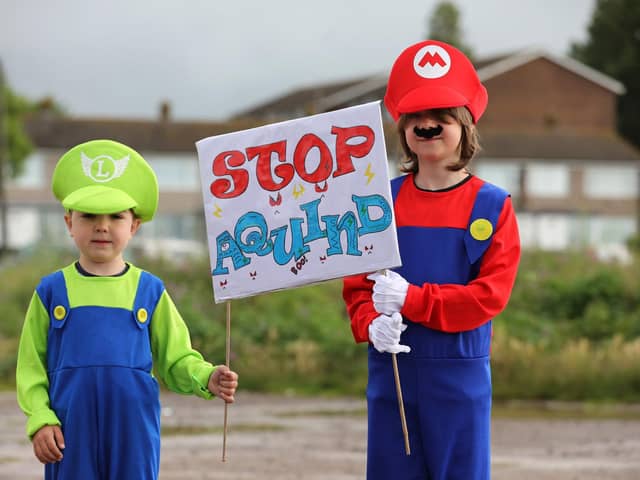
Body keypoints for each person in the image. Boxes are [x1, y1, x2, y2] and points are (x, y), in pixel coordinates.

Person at [343, 40, 521, 479]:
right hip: (392, 374)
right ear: (402, 126)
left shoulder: (492, 206)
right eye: (416, 117)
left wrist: (414, 299)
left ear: (464, 124)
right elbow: (356, 286)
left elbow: (488, 297)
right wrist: (370, 324)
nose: (426, 126)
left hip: (459, 379)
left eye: (440, 117)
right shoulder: (379, 202)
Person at [16, 139, 239, 480]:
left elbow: (176, 358)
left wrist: (206, 377)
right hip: (68, 431)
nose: (101, 225)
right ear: (68, 222)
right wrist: (40, 419)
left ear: (133, 226)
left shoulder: (150, 291)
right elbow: (31, 368)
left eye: (116, 216)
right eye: (88, 215)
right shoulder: (50, 292)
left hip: (133, 430)